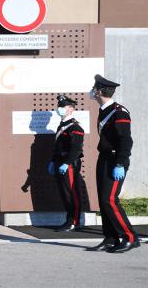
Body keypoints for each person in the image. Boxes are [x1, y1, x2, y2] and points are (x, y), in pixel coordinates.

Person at [86, 74, 140, 253]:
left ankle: (130, 237)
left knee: (110, 199)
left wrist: (120, 163)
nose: (92, 92)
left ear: (100, 91)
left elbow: (126, 141)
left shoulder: (119, 112)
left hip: (117, 160)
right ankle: (110, 238)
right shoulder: (105, 109)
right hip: (105, 158)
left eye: (95, 89)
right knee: (103, 201)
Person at [48, 95, 85, 232]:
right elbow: (58, 147)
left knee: (71, 193)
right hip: (59, 162)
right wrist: (53, 161)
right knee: (64, 193)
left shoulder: (74, 127)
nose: (59, 109)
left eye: (62, 107)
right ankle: (69, 220)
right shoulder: (62, 125)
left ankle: (74, 222)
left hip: (68, 164)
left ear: (70, 109)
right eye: (59, 106)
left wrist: (67, 163)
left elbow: (76, 148)